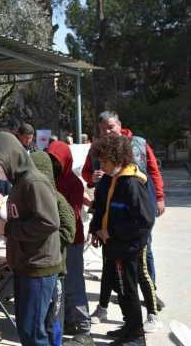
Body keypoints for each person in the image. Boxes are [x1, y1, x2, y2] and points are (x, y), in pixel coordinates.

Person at [83, 111, 165, 315]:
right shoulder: (97, 148)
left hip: (136, 210)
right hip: (111, 211)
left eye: (111, 127)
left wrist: (160, 197)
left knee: (144, 255)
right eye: (103, 129)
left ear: (119, 125)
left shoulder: (138, 143)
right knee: (111, 257)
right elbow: (87, 174)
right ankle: (119, 297)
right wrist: (94, 177)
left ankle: (150, 295)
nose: (108, 131)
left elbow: (153, 171)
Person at [0, 131, 61, 346]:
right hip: (25, 265)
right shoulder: (18, 183)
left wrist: (7, 227)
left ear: (10, 157)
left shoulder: (33, 182)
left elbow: (49, 222)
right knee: (32, 329)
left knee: (33, 332)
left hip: (38, 267)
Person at [89, 134, 155, 346]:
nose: (102, 165)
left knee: (129, 290)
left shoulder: (132, 183)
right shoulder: (111, 179)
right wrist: (96, 228)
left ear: (118, 159)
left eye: (104, 161)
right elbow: (101, 207)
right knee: (120, 288)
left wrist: (113, 233)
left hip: (128, 247)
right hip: (113, 246)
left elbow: (144, 221)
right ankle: (129, 326)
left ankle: (136, 336)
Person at [47, 141, 95, 346]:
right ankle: (69, 322)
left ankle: (84, 328)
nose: (54, 165)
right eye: (51, 160)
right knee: (62, 285)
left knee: (74, 282)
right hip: (56, 240)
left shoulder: (72, 183)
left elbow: (72, 214)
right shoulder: (49, 180)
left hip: (72, 240)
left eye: (57, 161)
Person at [31, 151, 77, 346]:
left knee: (53, 318)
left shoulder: (57, 199)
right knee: (39, 319)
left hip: (55, 269)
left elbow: (69, 232)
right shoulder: (31, 197)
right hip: (35, 268)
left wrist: (41, 239)